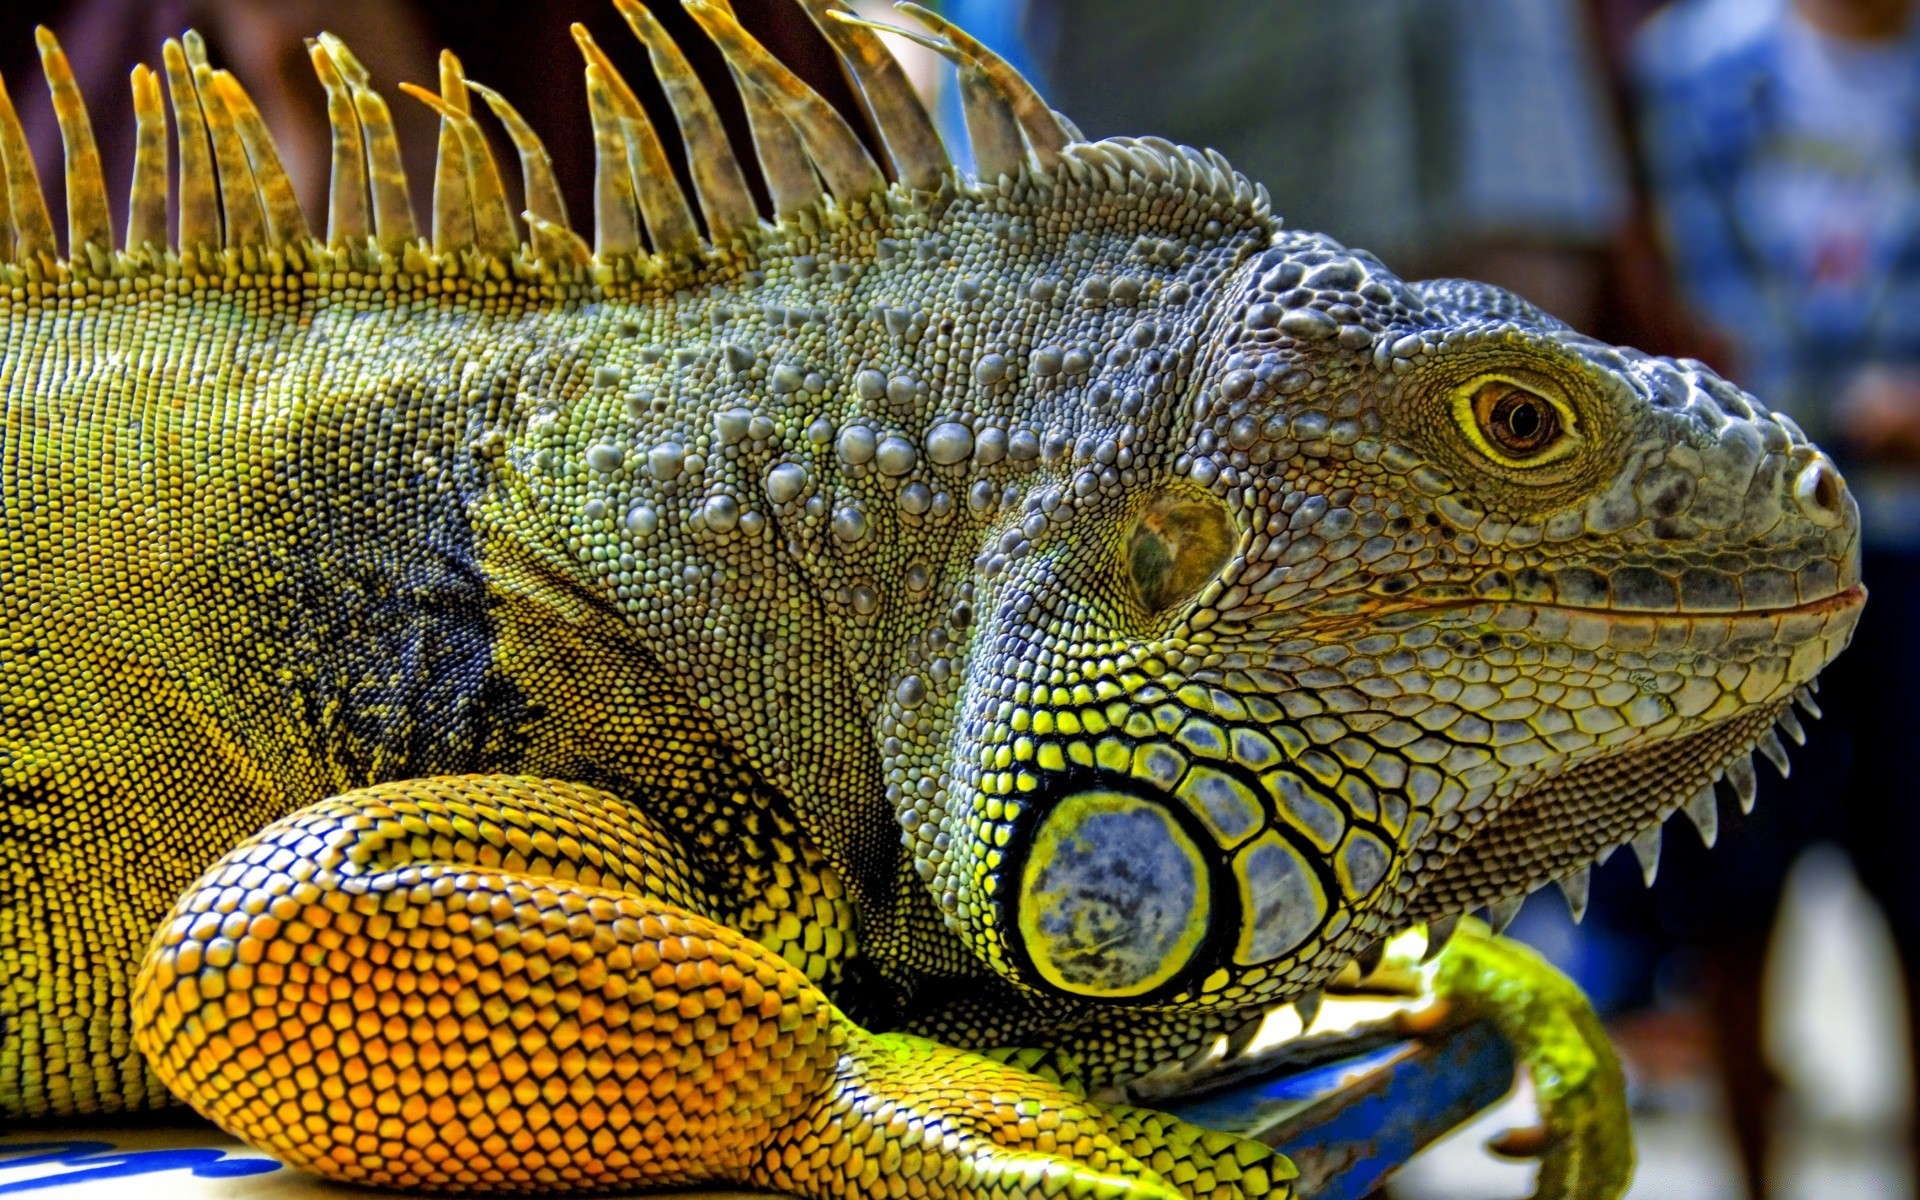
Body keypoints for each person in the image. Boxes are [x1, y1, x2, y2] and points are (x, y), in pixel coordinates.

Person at [1636, 0, 1920, 1194]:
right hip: (1736, 573)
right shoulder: (1681, 71)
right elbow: (1663, 303)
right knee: (1733, 904)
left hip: (1908, 554)